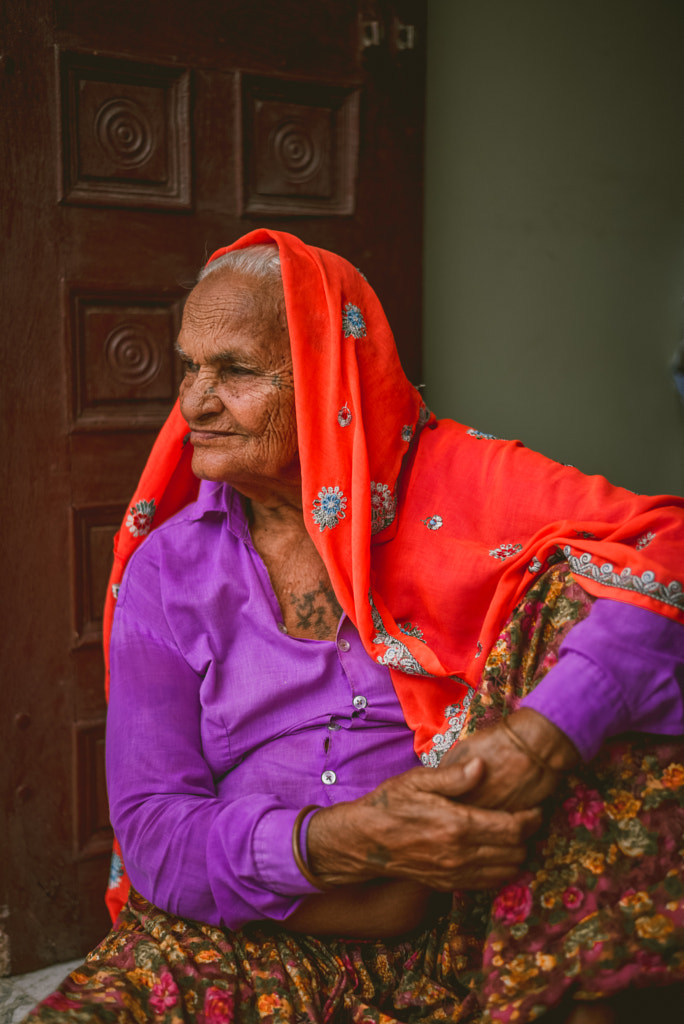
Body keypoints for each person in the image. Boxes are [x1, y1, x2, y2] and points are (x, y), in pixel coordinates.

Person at [24, 230, 684, 1024]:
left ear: (327, 377)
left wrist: (538, 740)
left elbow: (669, 550)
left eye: (234, 371)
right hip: (258, 925)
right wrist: (354, 842)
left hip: (480, 916)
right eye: (189, 368)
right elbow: (159, 836)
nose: (194, 402)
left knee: (596, 593)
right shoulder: (170, 572)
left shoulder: (463, 482)